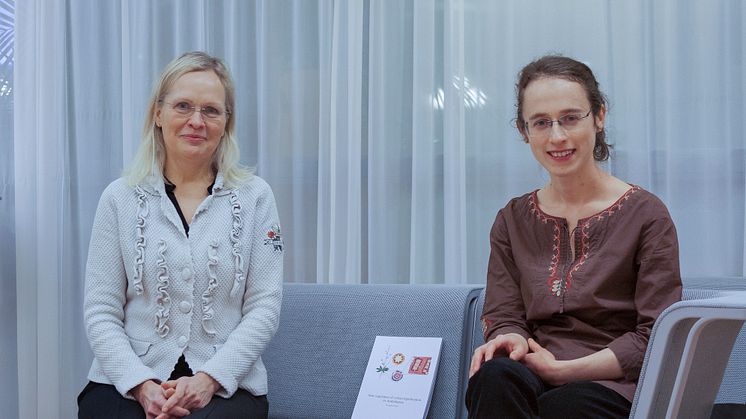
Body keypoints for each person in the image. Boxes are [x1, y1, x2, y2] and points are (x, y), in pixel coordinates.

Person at [465, 55, 681, 419]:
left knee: (568, 404)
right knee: (495, 376)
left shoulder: (646, 214)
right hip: (532, 372)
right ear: (524, 131)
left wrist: (566, 371)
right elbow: (503, 313)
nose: (557, 136)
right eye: (541, 123)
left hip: (615, 383)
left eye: (570, 118)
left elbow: (658, 334)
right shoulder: (512, 219)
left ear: (599, 116)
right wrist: (511, 339)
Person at [78, 51, 283, 419]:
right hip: (127, 383)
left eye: (211, 110)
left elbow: (264, 309)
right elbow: (100, 311)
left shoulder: (256, 197)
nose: (196, 121)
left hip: (224, 386)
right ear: (158, 114)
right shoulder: (119, 198)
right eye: (183, 106)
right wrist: (140, 385)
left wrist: (208, 379)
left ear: (226, 122)